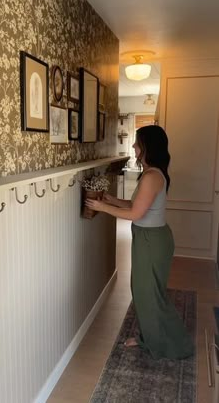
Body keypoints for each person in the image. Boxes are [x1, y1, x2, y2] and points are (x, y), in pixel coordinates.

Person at [86, 125, 194, 359]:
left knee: (149, 293)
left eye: (137, 143)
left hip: (152, 241)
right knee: (144, 291)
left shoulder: (153, 176)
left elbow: (135, 214)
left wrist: (102, 207)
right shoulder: (151, 174)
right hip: (149, 239)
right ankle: (149, 337)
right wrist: (112, 200)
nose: (134, 146)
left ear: (147, 147)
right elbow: (136, 206)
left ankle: (175, 343)